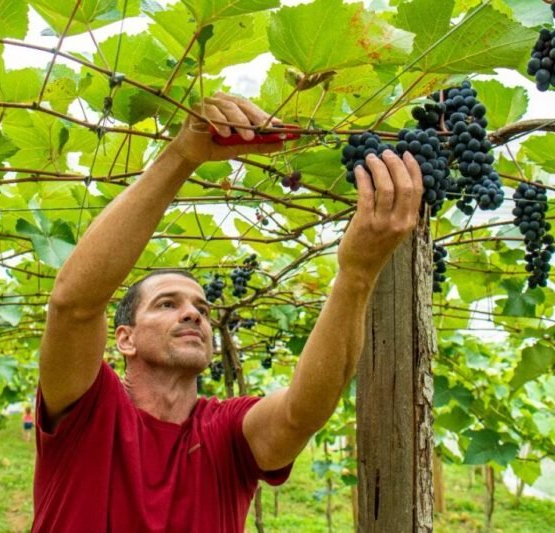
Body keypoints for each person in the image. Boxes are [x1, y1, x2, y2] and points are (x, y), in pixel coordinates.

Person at [33, 92, 423, 532]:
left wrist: (356, 273)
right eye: (167, 303)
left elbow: (301, 414)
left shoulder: (226, 432)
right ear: (125, 338)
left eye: (201, 307)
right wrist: (182, 156)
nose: (193, 314)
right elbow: (73, 306)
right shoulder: (90, 412)